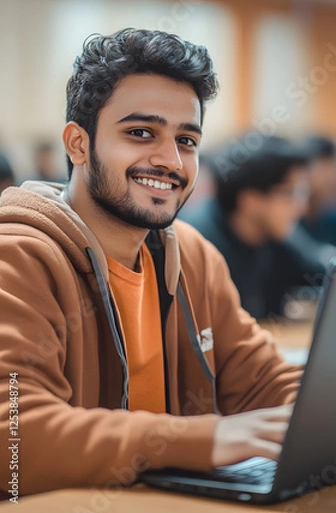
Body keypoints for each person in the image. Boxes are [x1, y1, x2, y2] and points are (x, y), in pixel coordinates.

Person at [0, 29, 301, 499]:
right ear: (78, 144)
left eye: (187, 139)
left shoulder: (193, 257)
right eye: (141, 133)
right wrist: (205, 439)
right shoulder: (17, 257)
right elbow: (12, 438)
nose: (170, 160)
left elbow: (264, 380)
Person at [181, 134, 325, 320]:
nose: (301, 206)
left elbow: (320, 270)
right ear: (250, 199)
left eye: (302, 192)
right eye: (291, 193)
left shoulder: (273, 234)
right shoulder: (198, 244)